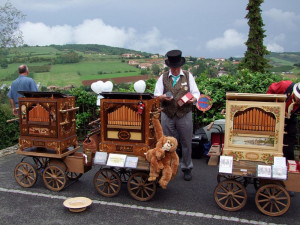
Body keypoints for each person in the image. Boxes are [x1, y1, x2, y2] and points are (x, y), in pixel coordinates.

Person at [154, 50, 200, 181]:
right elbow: (156, 95)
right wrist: (162, 97)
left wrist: (193, 99)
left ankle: (186, 168)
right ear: (169, 66)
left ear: (180, 65)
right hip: (167, 114)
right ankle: (166, 167)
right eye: (172, 67)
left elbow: (196, 93)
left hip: (184, 114)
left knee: (186, 142)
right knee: (167, 143)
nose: (175, 70)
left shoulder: (188, 75)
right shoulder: (162, 77)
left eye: (176, 67)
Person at [267, 80, 300, 160]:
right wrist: (275, 107)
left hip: (290, 119)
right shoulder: (285, 85)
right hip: (275, 116)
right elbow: (270, 92)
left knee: (289, 142)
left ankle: (287, 162)